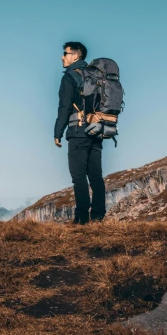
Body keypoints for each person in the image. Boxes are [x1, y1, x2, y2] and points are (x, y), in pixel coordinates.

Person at [53, 41, 106, 224]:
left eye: (65, 53)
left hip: (78, 132)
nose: (62, 56)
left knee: (79, 177)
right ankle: (98, 216)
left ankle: (82, 218)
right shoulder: (96, 75)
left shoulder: (70, 77)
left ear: (76, 55)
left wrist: (57, 132)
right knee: (96, 176)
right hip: (97, 130)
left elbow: (65, 107)